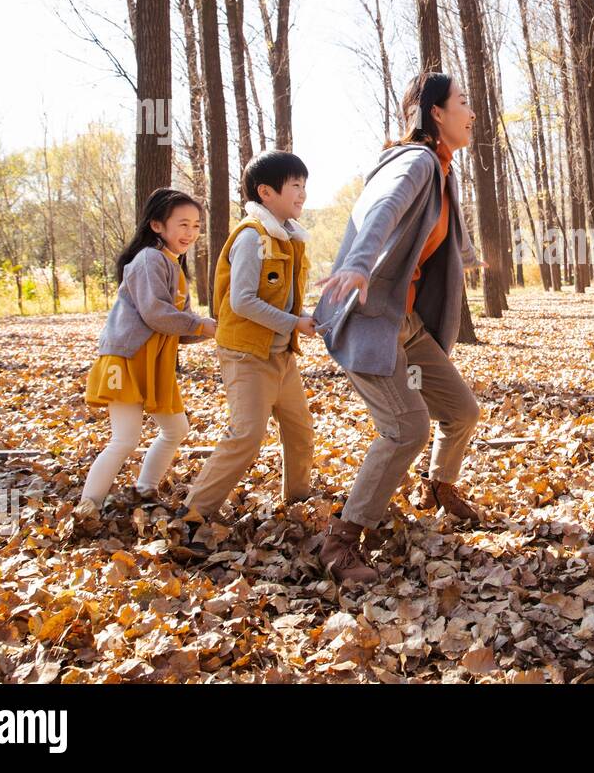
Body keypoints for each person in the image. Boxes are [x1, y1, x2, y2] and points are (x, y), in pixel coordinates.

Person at [313, 72, 485, 586]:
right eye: (463, 101)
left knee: (461, 411)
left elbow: (438, 229)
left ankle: (439, 487)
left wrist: (470, 258)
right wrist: (361, 263)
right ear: (435, 111)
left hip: (404, 323)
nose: (471, 111)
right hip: (368, 316)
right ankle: (340, 540)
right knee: (406, 427)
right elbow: (382, 209)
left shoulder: (444, 169)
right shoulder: (416, 160)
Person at [181, 150, 316, 525]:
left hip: (281, 357)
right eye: (294, 185)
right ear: (266, 192)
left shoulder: (290, 240)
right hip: (246, 355)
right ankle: (194, 512)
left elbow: (284, 300)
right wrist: (292, 322)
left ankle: (299, 501)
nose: (302, 193)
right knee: (246, 436)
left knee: (300, 430)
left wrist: (304, 318)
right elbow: (241, 302)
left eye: (305, 185)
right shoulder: (251, 237)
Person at [79, 188, 215, 516]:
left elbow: (176, 328)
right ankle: (87, 507)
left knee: (176, 429)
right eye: (182, 224)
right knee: (124, 439)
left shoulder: (174, 266)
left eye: (196, 226)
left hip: (155, 362)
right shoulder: (149, 259)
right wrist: (200, 324)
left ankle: (144, 490)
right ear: (157, 225)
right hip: (128, 357)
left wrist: (211, 330)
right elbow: (155, 313)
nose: (190, 233)